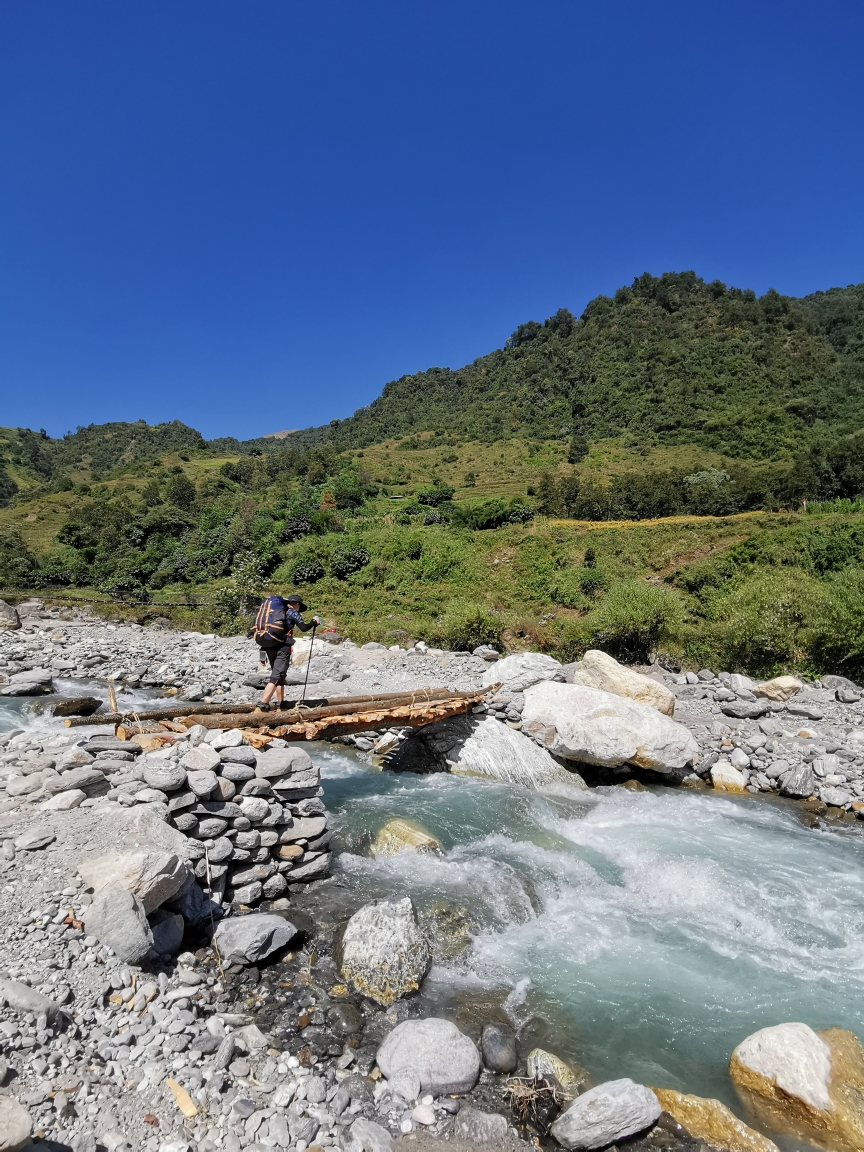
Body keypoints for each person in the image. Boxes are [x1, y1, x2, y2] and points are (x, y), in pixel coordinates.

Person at [253, 593, 321, 710]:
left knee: (280, 677)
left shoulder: (273, 613)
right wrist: (314, 622)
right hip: (282, 648)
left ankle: (281, 704)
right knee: (276, 676)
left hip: (268, 646)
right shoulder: (292, 612)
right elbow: (304, 628)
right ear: (298, 604)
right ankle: (262, 706)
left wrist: (262, 659)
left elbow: (263, 635)